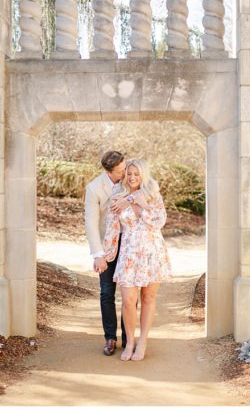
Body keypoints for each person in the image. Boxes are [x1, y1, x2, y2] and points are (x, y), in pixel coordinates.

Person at [101, 158, 172, 361]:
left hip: (151, 251)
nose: (132, 177)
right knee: (128, 300)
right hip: (129, 253)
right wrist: (104, 256)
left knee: (148, 298)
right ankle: (130, 341)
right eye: (129, 174)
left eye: (136, 174)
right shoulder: (117, 197)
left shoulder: (153, 196)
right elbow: (112, 230)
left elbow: (158, 222)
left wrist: (137, 203)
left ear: (143, 175)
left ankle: (142, 341)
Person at [84, 150, 130, 356]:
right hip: (106, 245)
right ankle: (110, 337)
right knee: (106, 293)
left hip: (130, 244)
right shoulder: (94, 188)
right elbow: (91, 223)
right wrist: (98, 255)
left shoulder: (130, 180)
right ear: (109, 171)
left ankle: (129, 338)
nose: (125, 172)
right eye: (121, 170)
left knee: (130, 294)